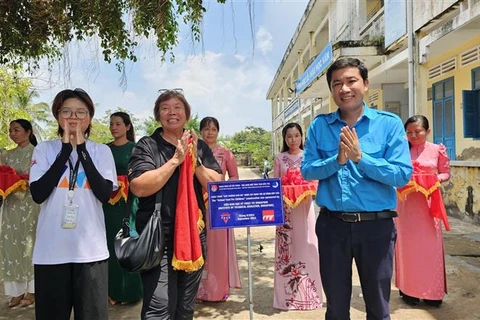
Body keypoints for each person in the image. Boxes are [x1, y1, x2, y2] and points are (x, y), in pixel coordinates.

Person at [301, 58, 413, 320]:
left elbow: (401, 175)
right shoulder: (320, 125)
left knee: (377, 305)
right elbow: (308, 170)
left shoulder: (389, 124)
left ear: (365, 83)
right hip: (332, 226)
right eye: (336, 83)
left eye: (351, 81)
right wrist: (337, 160)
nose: (344, 89)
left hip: (376, 228)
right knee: (336, 308)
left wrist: (361, 158)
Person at [128, 89, 223, 319]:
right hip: (159, 237)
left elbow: (216, 183)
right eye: (165, 108)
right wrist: (175, 161)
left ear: (187, 114)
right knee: (159, 309)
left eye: (177, 107)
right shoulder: (147, 145)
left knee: (185, 308)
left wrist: (194, 160)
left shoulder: (198, 146)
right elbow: (139, 186)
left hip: (193, 237)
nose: (172, 112)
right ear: (158, 115)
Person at [29, 88, 117, 319]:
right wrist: (66, 150)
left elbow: (104, 193)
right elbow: (38, 193)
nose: (74, 117)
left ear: (89, 117)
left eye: (81, 112)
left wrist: (82, 151)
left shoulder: (101, 151)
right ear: (58, 116)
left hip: (91, 253)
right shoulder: (44, 149)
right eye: (66, 111)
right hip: (50, 253)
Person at [395, 115, 451, 307]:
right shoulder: (401, 150)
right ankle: (408, 290)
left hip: (429, 206)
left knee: (429, 249)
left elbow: (445, 173)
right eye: (409, 132)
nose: (413, 135)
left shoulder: (437, 150)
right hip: (406, 206)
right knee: (407, 248)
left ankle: (432, 293)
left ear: (427, 131)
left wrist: (435, 179)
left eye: (417, 132)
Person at [272, 122, 323, 310]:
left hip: (305, 209)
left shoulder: (309, 157)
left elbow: (316, 180)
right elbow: (275, 184)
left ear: (302, 137)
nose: (293, 140)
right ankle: (286, 298)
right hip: (285, 212)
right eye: (289, 136)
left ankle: (310, 295)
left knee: (308, 245)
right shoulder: (279, 158)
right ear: (284, 139)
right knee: (288, 249)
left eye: (296, 135)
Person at [196, 116, 242, 302]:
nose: (209, 132)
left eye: (213, 129)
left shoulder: (226, 153)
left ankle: (218, 290)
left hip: (219, 207)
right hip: (197, 206)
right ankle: (198, 291)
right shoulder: (194, 150)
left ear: (218, 131)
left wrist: (221, 189)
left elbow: (235, 177)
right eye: (206, 129)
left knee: (218, 249)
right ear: (201, 131)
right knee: (199, 247)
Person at [103, 112, 143, 305]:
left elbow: (141, 174)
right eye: (111, 124)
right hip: (108, 205)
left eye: (118, 124)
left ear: (127, 127)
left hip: (130, 203)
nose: (113, 127)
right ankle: (112, 291)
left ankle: (132, 292)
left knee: (128, 244)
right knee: (110, 244)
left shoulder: (135, 149)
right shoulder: (103, 150)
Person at [0, 119, 40, 308]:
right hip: (11, 206)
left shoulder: (37, 153)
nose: (12, 133)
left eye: (16, 130)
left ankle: (32, 291)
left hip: (31, 205)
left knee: (30, 245)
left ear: (28, 131)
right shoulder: (6, 155)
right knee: (11, 246)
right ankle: (15, 292)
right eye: (10, 130)